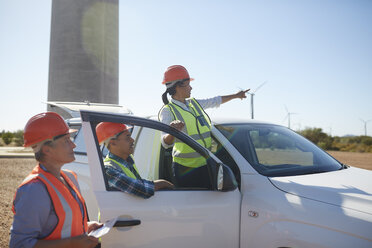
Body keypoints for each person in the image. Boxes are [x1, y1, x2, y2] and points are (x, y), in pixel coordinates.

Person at [10, 112, 102, 248]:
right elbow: (19, 244)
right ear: (47, 150)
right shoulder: (34, 189)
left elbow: (59, 226)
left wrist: (86, 227)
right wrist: (72, 244)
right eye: (66, 140)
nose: (74, 145)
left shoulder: (69, 177)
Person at [158, 65, 249, 188]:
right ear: (178, 86)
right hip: (185, 170)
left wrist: (236, 96)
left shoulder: (194, 104)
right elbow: (165, 142)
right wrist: (172, 132)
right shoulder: (168, 111)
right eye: (188, 84)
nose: (191, 87)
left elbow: (215, 100)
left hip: (206, 164)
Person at [96, 122, 174, 199]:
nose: (132, 140)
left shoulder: (128, 159)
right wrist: (163, 183)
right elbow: (141, 189)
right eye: (127, 137)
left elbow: (138, 181)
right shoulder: (108, 170)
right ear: (113, 143)